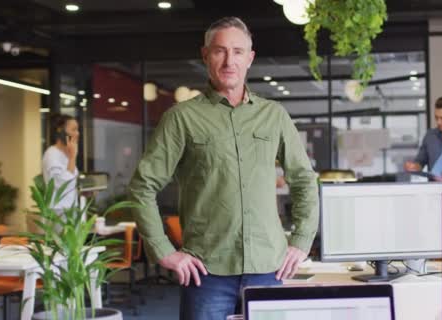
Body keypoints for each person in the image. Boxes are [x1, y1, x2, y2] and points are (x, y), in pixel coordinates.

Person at [128, 17, 319, 320]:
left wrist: (302, 240)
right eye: (220, 51)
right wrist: (162, 249)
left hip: (269, 268)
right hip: (207, 273)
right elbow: (142, 187)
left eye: (238, 51)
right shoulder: (181, 118)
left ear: (250, 58)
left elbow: (304, 180)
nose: (230, 60)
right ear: (206, 56)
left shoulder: (274, 115)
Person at [42, 114, 80, 209]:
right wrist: (72, 157)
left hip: (70, 208)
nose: (77, 133)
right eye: (74, 129)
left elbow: (71, 183)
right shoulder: (52, 154)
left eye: (77, 129)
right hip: (58, 210)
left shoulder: (66, 154)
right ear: (60, 130)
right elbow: (62, 184)